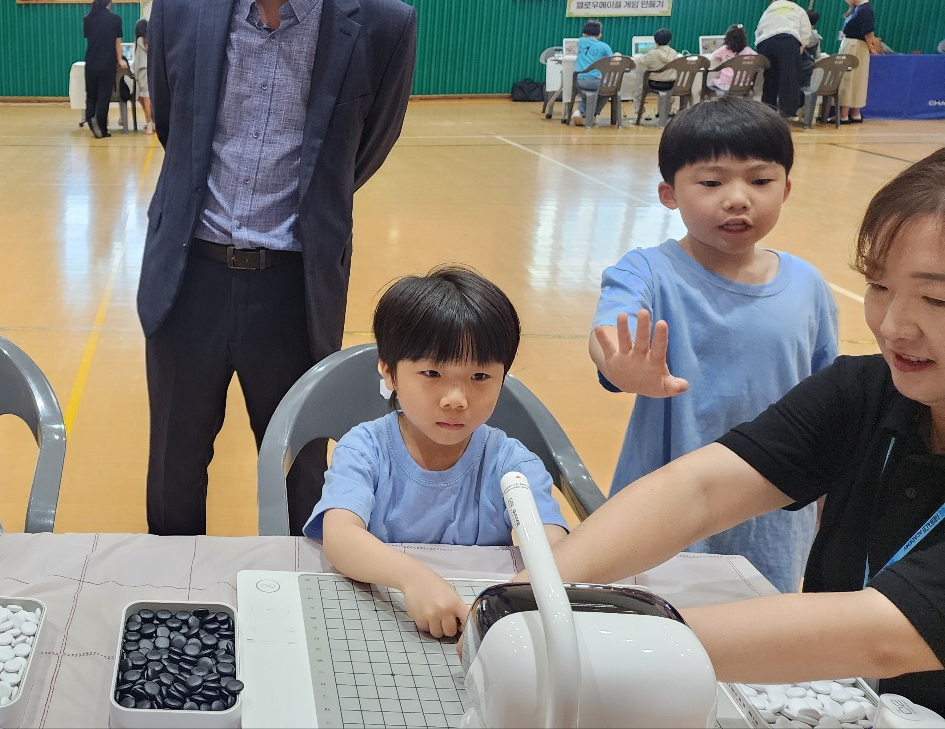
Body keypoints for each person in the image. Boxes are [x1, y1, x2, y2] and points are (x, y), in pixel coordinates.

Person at [549, 147, 945, 712]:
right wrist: (531, 592)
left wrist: (583, 642)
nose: (893, 325)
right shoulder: (867, 392)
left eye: (937, 298)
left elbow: (883, 634)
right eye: (878, 287)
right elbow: (701, 489)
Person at [141, 0, 418, 536]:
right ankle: (177, 618)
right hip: (187, 280)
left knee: (300, 472)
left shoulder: (381, 25)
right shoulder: (180, 2)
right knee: (173, 476)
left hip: (294, 290)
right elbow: (178, 126)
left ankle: (296, 609)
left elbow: (365, 150)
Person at [589, 96, 838, 593]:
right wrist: (621, 367)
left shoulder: (807, 286)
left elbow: (829, 409)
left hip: (770, 522)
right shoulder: (647, 271)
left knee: (758, 648)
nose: (738, 198)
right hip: (661, 519)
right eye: (711, 182)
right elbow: (610, 333)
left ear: (786, 188)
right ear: (669, 194)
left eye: (760, 180)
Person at [307, 266, 565, 638]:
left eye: (479, 377)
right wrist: (413, 579)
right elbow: (340, 538)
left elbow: (553, 550)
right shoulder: (365, 448)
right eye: (432, 374)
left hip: (480, 628)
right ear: (389, 373)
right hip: (381, 617)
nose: (456, 400)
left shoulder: (511, 463)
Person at [755, 0, 816, 118]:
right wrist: (800, 49)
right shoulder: (797, 9)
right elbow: (805, 31)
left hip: (764, 43)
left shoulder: (769, 10)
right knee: (789, 76)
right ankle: (787, 111)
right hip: (787, 39)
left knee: (770, 77)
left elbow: (758, 30)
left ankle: (768, 110)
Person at [81, 0, 124, 139]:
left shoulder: (87, 19)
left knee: (91, 95)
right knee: (103, 96)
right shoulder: (115, 19)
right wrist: (120, 60)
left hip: (91, 61)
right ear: (109, 1)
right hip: (107, 63)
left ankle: (90, 118)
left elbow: (90, 38)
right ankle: (102, 128)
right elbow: (117, 43)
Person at [838, 0, 877, 123]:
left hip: (855, 47)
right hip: (855, 46)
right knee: (856, 79)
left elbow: (869, 32)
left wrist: (872, 48)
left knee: (849, 78)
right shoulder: (859, 8)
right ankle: (855, 113)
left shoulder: (865, 9)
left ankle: (844, 115)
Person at [570, 20, 615, 127]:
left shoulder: (580, 41)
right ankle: (592, 114)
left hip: (579, 80)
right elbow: (613, 60)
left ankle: (580, 111)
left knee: (589, 94)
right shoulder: (604, 46)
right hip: (595, 81)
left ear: (583, 34)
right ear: (599, 35)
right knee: (608, 91)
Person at [635, 28, 682, 122]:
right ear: (670, 41)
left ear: (655, 41)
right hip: (670, 85)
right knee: (667, 95)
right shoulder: (674, 53)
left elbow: (641, 61)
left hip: (654, 84)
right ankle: (664, 114)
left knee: (637, 94)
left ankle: (639, 114)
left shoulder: (652, 54)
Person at [706, 24, 757, 95]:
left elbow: (713, 55)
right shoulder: (749, 52)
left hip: (725, 85)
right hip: (744, 86)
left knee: (709, 84)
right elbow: (757, 58)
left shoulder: (724, 49)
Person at [130, 18, 153, 134]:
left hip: (143, 73)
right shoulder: (151, 41)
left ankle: (149, 124)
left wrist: (134, 73)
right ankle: (151, 123)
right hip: (151, 72)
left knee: (145, 97)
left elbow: (137, 60)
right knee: (143, 97)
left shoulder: (139, 41)